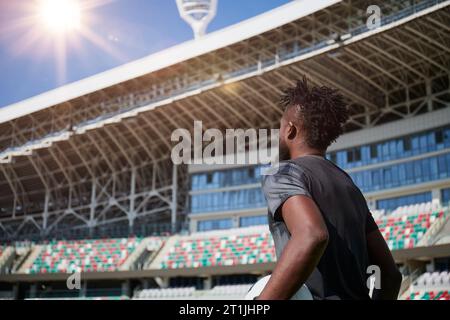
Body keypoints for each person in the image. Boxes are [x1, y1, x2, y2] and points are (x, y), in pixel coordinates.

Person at [256, 77, 402, 300]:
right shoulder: (349, 186)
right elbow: (390, 275)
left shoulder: (282, 172)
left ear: (290, 130)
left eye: (280, 126)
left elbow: (312, 234)